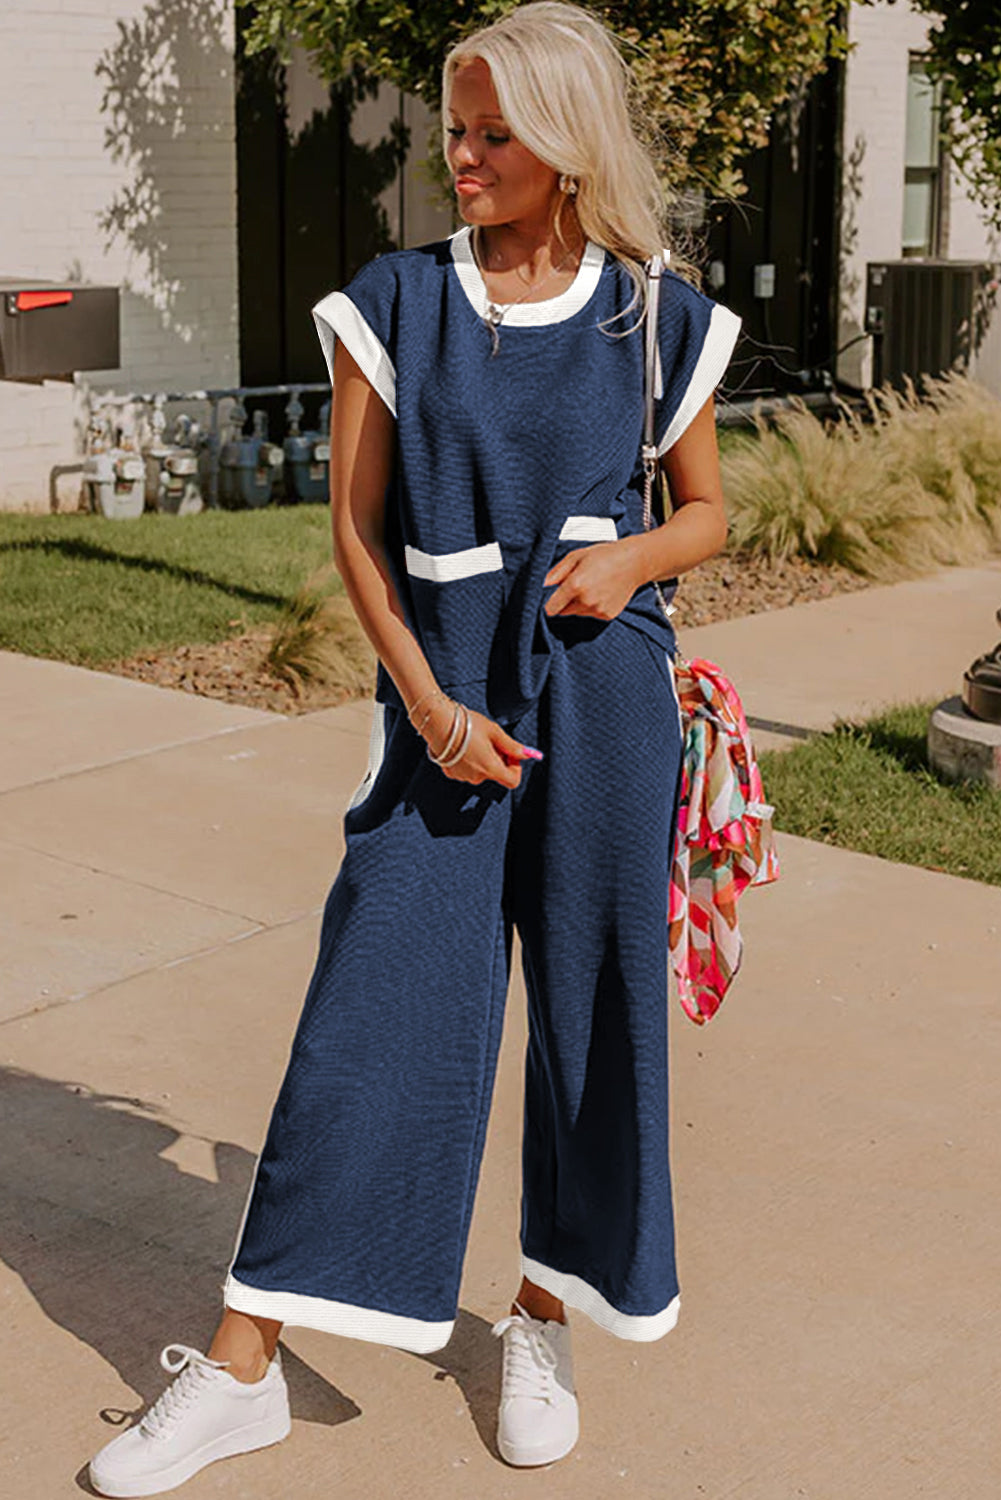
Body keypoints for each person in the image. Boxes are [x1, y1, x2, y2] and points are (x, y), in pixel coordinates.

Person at [88, 2, 742, 1493]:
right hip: (442, 711)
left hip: (606, 700)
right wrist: (430, 709)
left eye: (490, 133)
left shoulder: (656, 312)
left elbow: (705, 510)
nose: (457, 156)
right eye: (453, 127)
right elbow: (356, 533)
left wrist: (632, 564)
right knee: (366, 1025)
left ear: (566, 143)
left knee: (595, 1023)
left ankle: (538, 1315)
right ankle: (245, 1364)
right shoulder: (395, 300)